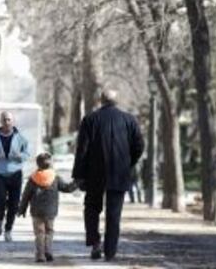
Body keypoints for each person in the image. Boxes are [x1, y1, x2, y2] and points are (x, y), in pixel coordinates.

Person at [72, 89, 144, 261]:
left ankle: (95, 242)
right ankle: (110, 251)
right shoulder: (129, 120)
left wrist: (79, 175)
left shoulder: (90, 119)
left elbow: (82, 149)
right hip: (119, 172)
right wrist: (128, 163)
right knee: (114, 214)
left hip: (94, 172)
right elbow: (139, 146)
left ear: (100, 100)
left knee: (91, 208)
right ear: (116, 101)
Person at [17, 152, 77, 262]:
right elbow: (67, 188)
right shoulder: (55, 177)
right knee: (49, 232)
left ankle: (40, 255)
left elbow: (26, 195)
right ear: (50, 164)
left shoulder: (33, 179)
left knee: (39, 233)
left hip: (36, 211)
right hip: (50, 211)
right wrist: (77, 183)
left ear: (38, 164)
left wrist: (22, 209)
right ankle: (48, 251)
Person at [0, 111, 30, 242]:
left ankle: (8, 230)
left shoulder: (20, 136)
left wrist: (19, 156)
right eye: (4, 119)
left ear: (13, 121)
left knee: (14, 204)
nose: (7, 122)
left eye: (9, 119)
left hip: (16, 173)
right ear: (0, 121)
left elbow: (27, 153)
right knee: (0, 200)